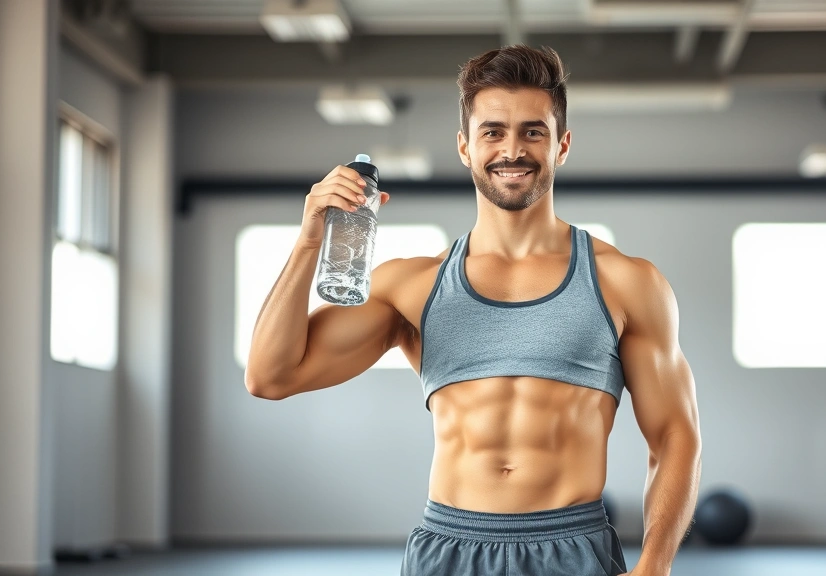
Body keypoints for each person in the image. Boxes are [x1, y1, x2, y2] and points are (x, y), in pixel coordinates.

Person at [245, 44, 702, 576]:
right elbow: (270, 376)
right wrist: (307, 240)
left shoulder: (625, 282)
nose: (513, 149)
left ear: (562, 146)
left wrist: (655, 568)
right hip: (449, 551)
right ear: (465, 146)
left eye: (534, 131)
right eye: (493, 132)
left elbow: (675, 435)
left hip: (572, 550)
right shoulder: (412, 286)